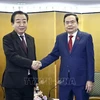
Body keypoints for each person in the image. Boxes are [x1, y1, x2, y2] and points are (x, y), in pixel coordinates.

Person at [32, 13, 94, 100]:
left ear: (77, 23)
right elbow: (53, 55)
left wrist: (90, 80)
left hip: (81, 80)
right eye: (67, 22)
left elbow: (90, 60)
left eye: (72, 22)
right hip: (64, 81)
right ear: (64, 24)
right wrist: (41, 63)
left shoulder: (86, 37)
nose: (70, 24)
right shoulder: (60, 38)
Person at [2, 11, 39, 100]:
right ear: (12, 23)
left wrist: (36, 82)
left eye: (24, 21)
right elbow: (12, 56)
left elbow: (33, 58)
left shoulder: (31, 39)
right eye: (18, 22)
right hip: (13, 83)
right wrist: (31, 63)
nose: (21, 24)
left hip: (29, 83)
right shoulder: (7, 38)